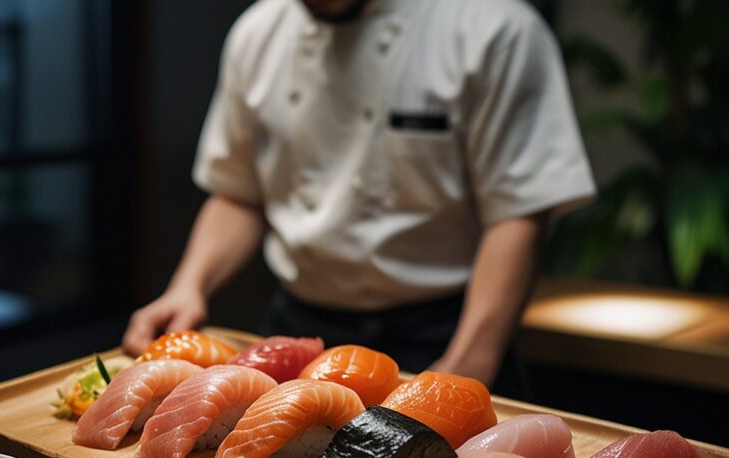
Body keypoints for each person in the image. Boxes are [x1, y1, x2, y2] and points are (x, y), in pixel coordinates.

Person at [122, 0, 595, 395]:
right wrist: (190, 285)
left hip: (444, 330)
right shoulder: (258, 31)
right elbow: (241, 193)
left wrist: (471, 359)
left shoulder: (494, 28)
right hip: (300, 329)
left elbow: (517, 213)